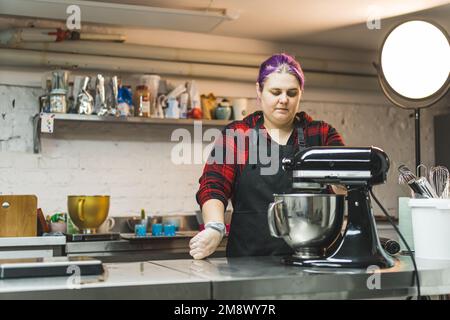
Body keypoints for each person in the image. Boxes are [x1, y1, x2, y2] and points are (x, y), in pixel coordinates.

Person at [189, 53, 344, 260]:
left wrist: (346, 182)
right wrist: (215, 227)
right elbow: (213, 185)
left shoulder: (321, 134)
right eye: (275, 92)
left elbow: (347, 182)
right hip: (247, 263)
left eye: (291, 93)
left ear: (300, 94)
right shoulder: (237, 135)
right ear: (259, 92)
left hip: (314, 261)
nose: (284, 100)